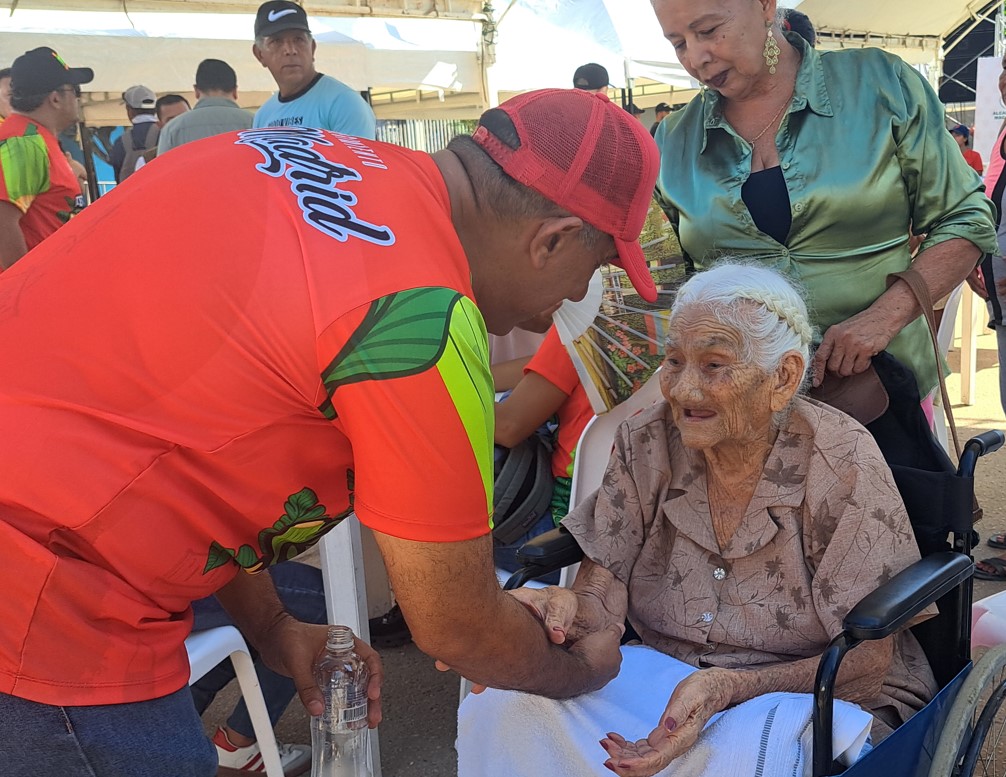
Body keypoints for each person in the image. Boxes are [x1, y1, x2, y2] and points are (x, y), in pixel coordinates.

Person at [0, 87, 659, 777]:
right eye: (595, 269)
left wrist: (274, 626)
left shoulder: (291, 151)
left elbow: (193, 435)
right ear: (550, 239)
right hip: (45, 600)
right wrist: (584, 668)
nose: (575, 299)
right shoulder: (423, 320)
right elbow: (455, 623)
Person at [458, 263, 937, 777]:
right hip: (665, 669)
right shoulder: (645, 441)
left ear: (783, 377)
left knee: (740, 763)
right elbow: (604, 592)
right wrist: (562, 608)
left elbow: (866, 662)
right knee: (508, 706)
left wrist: (732, 687)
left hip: (809, 688)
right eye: (674, 360)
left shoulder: (840, 460)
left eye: (713, 365)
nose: (683, 390)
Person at [653, 0, 997, 415]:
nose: (696, 58)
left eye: (708, 31)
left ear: (765, 5)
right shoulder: (672, 141)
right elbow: (668, 279)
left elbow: (963, 216)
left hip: (882, 392)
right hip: (740, 411)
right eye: (677, 44)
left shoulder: (881, 85)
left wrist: (883, 319)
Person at [492, 323, 594, 573]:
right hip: (640, 525)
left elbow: (508, 428)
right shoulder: (663, 330)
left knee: (451, 542)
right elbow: (543, 363)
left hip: (568, 533)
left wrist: (433, 387)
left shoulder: (583, 329)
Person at [0, 46, 90, 270]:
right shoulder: (24, 143)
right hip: (29, 295)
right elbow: (2, 223)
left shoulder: (35, 139)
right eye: (75, 91)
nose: (78, 99)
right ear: (55, 98)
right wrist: (22, 291)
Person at [252, 0, 376, 138]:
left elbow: (359, 160)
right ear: (259, 54)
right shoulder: (263, 116)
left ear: (312, 48)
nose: (290, 50)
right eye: (276, 41)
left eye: (298, 39)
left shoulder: (344, 104)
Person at [158, 59, 253, 156]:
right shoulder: (255, 123)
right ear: (235, 91)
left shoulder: (173, 129)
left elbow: (160, 169)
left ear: (196, 91)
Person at [110, 84, 160, 182]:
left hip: (131, 195)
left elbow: (117, 176)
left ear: (130, 110)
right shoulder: (165, 134)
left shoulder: (120, 142)